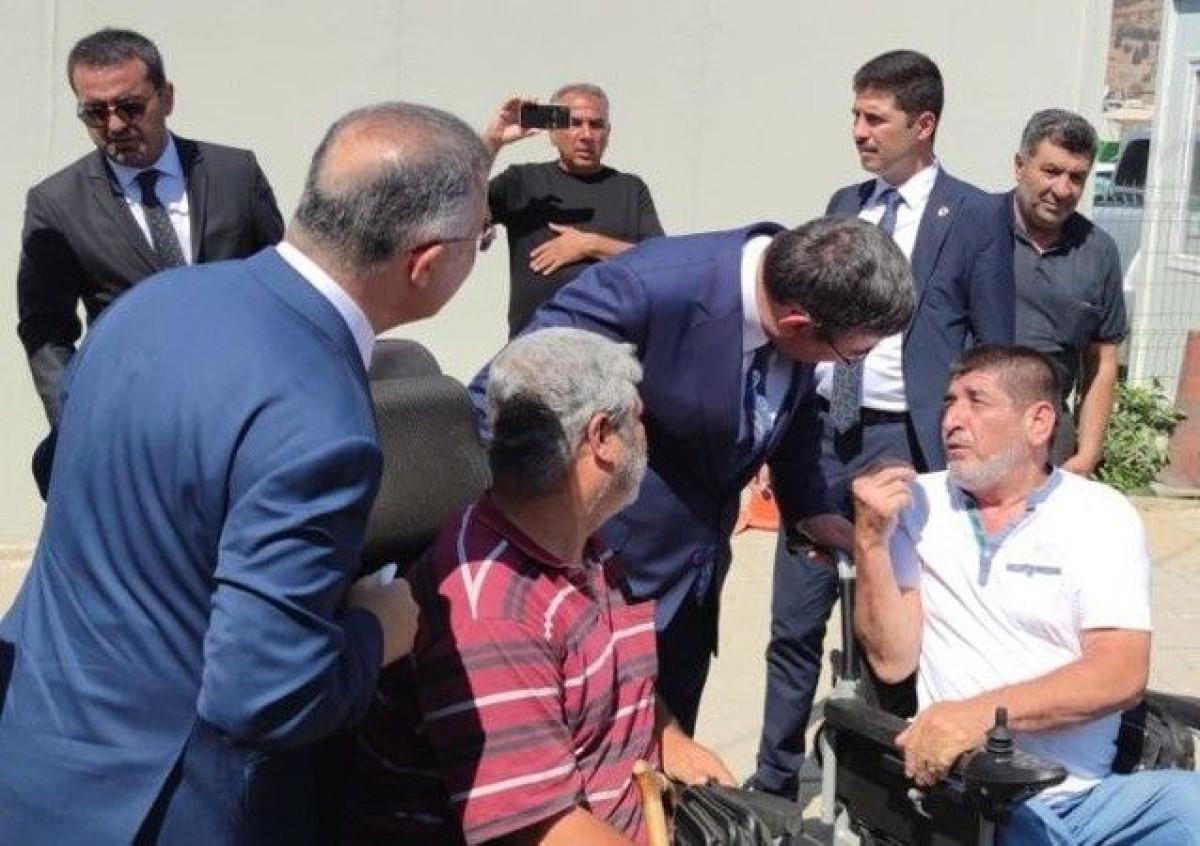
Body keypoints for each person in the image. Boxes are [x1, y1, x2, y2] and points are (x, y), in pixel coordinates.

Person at [0, 102, 492, 844]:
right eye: (481, 238)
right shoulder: (323, 419)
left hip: (36, 752)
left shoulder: (149, 304)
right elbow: (265, 693)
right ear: (425, 262)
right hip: (166, 806)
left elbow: (70, 476)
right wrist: (378, 629)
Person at [472, 215, 916, 732]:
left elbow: (787, 415)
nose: (849, 366)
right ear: (796, 324)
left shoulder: (796, 295)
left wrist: (809, 509)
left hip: (692, 595)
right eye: (853, 355)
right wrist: (559, 542)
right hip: (598, 587)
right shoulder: (643, 290)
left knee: (671, 762)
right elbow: (495, 403)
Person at [345, 327, 734, 845]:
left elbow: (614, 686)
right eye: (638, 419)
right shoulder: (495, 610)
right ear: (601, 438)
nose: (647, 436)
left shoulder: (582, 547)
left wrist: (666, 735)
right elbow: (542, 831)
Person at [751, 48, 1014, 798]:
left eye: (875, 118)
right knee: (795, 621)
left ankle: (879, 784)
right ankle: (773, 780)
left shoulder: (976, 216)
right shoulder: (845, 203)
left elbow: (993, 344)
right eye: (855, 115)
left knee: (888, 623)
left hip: (906, 444)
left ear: (923, 124)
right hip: (821, 440)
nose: (859, 131)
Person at [852, 344, 1200, 845]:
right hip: (977, 792)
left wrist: (978, 715)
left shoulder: (1101, 515)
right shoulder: (917, 504)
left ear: (1038, 423)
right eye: (950, 402)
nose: (951, 420)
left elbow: (1120, 672)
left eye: (976, 401)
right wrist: (869, 542)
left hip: (1094, 798)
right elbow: (891, 662)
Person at [16, 28, 284, 425]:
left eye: (130, 107)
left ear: (167, 97)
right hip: (134, 419)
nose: (114, 125)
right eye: (95, 112)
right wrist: (76, 425)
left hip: (244, 404)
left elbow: (281, 290)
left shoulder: (235, 174)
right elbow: (46, 332)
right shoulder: (57, 204)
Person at [482, 83, 663, 336]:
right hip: (536, 346)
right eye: (574, 123)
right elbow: (463, 208)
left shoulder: (631, 189)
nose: (586, 135)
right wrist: (492, 142)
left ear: (608, 133)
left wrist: (590, 245)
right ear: (552, 133)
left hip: (612, 347)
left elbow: (660, 262)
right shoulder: (523, 181)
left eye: (596, 125)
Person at [1009, 109, 1126, 475]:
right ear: (1020, 166)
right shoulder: (976, 229)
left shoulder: (1098, 251)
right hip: (969, 427)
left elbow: (1102, 360)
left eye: (1076, 177)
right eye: (1051, 171)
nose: (1062, 190)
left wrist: (1087, 454)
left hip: (1048, 438)